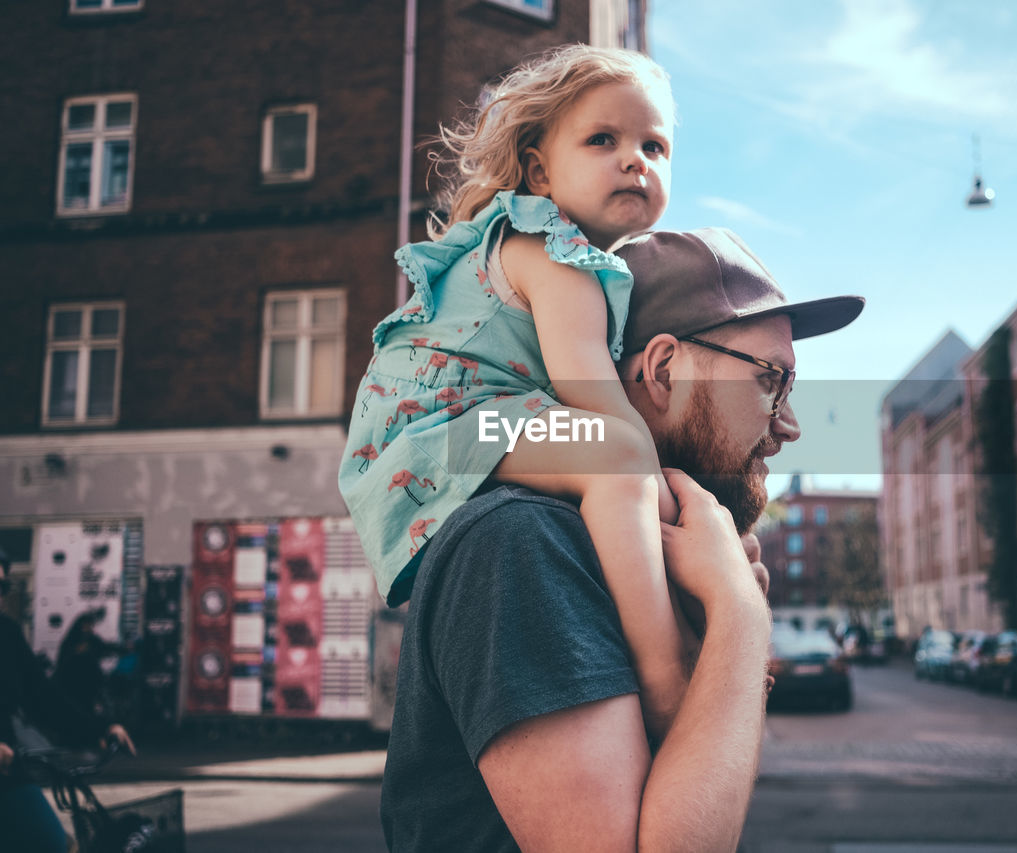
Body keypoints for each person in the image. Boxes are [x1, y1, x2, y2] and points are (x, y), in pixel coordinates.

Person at [380, 226, 864, 851]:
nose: (790, 425)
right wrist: (741, 618)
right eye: (771, 379)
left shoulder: (626, 566)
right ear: (663, 369)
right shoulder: (523, 544)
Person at [339, 44, 691, 739]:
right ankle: (667, 678)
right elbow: (591, 395)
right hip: (444, 429)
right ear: (538, 170)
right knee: (618, 453)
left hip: (453, 431)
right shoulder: (550, 254)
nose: (635, 159)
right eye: (603, 140)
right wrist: (675, 504)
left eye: (655, 145)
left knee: (610, 460)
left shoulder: (558, 255)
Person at [0, 548, 137, 853]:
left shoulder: (6, 633)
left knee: (57, 844)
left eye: (2, 587)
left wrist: (99, 729)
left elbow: (42, 697)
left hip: (6, 773)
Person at [54, 606, 118, 717]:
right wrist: (76, 652)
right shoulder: (72, 640)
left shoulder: (91, 639)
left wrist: (124, 648)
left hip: (88, 685)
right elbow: (63, 660)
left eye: (90, 625)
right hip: (72, 682)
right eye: (86, 625)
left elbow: (105, 647)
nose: (89, 628)